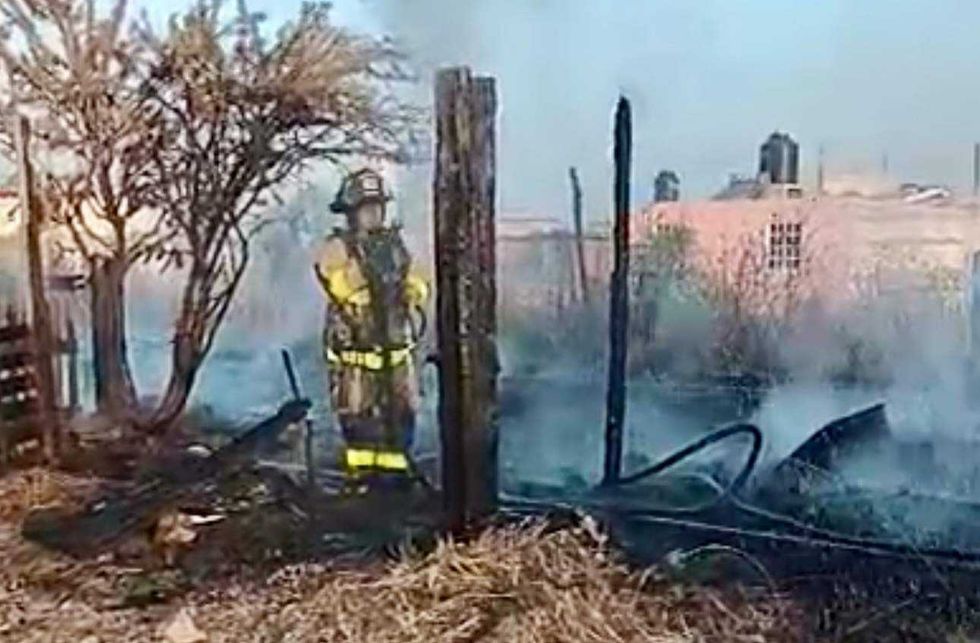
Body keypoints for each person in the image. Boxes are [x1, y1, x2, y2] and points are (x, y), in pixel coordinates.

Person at [313, 168, 429, 490]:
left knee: (402, 416)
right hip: (356, 358)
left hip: (396, 352)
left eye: (377, 206)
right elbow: (340, 282)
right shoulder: (338, 247)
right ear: (350, 212)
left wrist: (413, 291)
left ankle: (396, 476)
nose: (373, 214)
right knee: (359, 418)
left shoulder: (396, 245)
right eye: (365, 208)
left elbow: (417, 278)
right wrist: (369, 293)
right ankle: (363, 479)